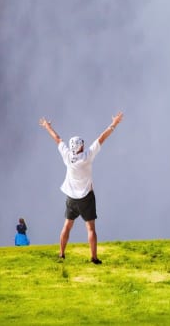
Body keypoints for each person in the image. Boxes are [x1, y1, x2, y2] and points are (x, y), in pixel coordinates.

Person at [38, 112, 122, 264]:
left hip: (71, 197)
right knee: (90, 228)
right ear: (80, 147)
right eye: (82, 144)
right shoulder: (87, 156)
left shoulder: (67, 156)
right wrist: (114, 123)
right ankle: (94, 257)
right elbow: (102, 138)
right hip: (86, 197)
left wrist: (47, 127)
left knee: (67, 226)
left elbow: (57, 139)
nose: (84, 145)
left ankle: (61, 254)